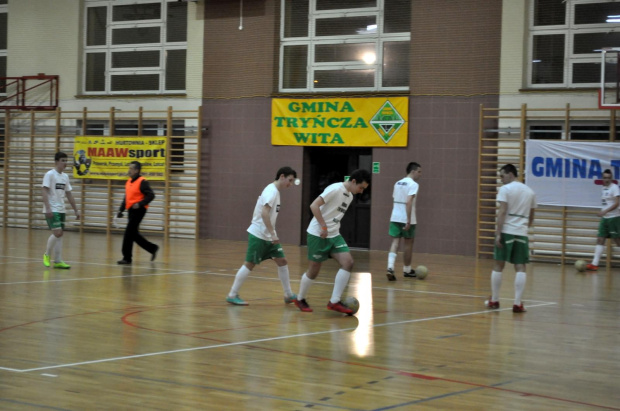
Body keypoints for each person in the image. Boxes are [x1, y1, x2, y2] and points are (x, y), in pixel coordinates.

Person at [294, 169, 371, 313]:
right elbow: (314, 205)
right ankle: (300, 299)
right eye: (361, 187)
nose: (361, 191)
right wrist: (323, 225)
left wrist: (330, 228)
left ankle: (334, 301)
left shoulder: (350, 197)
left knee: (348, 262)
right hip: (318, 234)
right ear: (353, 181)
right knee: (313, 271)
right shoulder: (335, 189)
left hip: (334, 235)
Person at [226, 167, 299, 305]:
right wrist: (272, 234)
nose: (290, 184)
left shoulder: (276, 192)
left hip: (269, 237)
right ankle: (232, 294)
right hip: (259, 235)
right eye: (290, 180)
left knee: (282, 261)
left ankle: (288, 294)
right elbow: (264, 213)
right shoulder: (271, 191)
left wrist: (272, 234)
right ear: (282, 176)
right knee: (250, 264)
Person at [486, 164, 536, 313]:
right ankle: (517, 303)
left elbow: (502, 212)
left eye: (502, 176)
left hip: (507, 230)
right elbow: (532, 215)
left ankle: (494, 300)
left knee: (498, 265)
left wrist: (498, 233)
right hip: (521, 231)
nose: (501, 179)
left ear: (510, 174)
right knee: (520, 267)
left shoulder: (505, 189)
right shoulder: (530, 191)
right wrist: (524, 228)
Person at [42, 151, 80, 269]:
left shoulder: (65, 177)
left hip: (62, 208)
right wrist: (48, 207)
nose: (65, 163)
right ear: (56, 162)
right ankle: (47, 254)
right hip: (52, 209)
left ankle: (58, 260)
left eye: (66, 161)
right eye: (62, 161)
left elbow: (69, 194)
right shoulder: (50, 174)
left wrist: (76, 210)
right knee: (58, 232)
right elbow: (44, 190)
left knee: (60, 235)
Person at [117, 161, 158, 264]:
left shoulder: (142, 182)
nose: (129, 170)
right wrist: (120, 210)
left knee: (128, 233)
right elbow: (126, 197)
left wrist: (140, 204)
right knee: (133, 234)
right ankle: (152, 248)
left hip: (139, 210)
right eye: (129, 168)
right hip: (131, 210)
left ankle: (127, 258)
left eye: (131, 168)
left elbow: (151, 195)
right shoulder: (129, 182)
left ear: (136, 170)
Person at [386, 162, 422, 281]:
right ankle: (407, 270)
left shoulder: (397, 183)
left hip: (395, 216)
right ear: (412, 171)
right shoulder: (413, 184)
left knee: (395, 242)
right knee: (408, 243)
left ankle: (390, 267)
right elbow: (408, 202)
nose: (420, 174)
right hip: (407, 218)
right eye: (419, 171)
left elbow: (394, 199)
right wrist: (408, 220)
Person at [586, 169, 620, 271]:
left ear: (612, 178)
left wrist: (605, 211)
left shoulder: (614, 188)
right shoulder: (603, 187)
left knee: (618, 242)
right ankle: (594, 264)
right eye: (605, 178)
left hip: (613, 218)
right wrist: (603, 212)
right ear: (602, 178)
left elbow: (617, 203)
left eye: (609, 178)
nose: (607, 180)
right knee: (600, 239)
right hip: (605, 219)